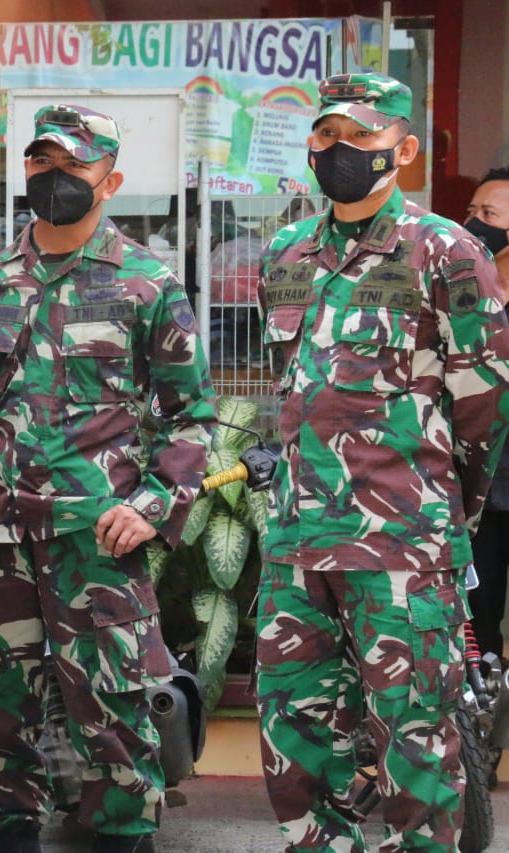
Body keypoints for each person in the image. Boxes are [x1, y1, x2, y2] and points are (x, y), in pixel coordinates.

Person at [0, 104, 217, 853]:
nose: (54, 178)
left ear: (108, 180)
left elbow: (191, 418)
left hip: (97, 542)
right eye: (41, 163)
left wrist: (153, 504)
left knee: (113, 706)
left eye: (72, 166)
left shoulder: (147, 285)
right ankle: (9, 836)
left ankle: (120, 838)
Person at [255, 74, 509, 851]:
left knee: (415, 749)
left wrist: (437, 505)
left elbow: (483, 399)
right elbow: (291, 380)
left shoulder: (448, 251)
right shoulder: (285, 252)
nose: (336, 151)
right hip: (300, 543)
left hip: (403, 546)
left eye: (357, 138)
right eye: (326, 136)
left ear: (399, 149)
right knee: (294, 743)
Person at [466, 167, 509, 661]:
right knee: (478, 616)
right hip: (481, 491)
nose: (475, 224)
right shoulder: (464, 296)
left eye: (489, 214)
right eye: (472, 212)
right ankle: (483, 728)